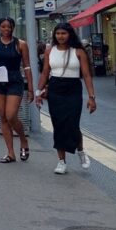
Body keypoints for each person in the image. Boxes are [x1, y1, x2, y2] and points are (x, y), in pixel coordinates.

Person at [35, 22, 97, 174]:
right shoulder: (50, 51)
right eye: (58, 34)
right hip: (55, 87)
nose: (60, 36)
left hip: (73, 88)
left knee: (72, 123)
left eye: (63, 33)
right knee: (58, 124)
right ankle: (61, 161)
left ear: (70, 34)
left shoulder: (78, 51)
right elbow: (44, 73)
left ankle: (81, 150)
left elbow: (87, 75)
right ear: (54, 35)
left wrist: (91, 97)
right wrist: (38, 92)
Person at [0, 17, 33, 163]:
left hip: (14, 81)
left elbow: (26, 66)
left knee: (11, 115)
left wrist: (30, 88)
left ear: (13, 28)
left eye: (9, 27)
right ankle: (10, 153)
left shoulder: (21, 44)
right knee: (3, 117)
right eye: (3, 27)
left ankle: (23, 139)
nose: (6, 29)